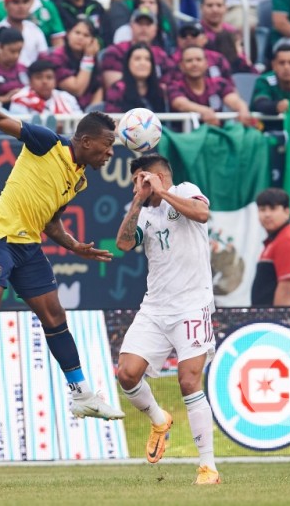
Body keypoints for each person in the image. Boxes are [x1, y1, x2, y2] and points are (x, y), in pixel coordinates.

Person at [0, 78, 125, 431]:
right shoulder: (48, 143)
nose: (110, 154)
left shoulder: (79, 179)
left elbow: (51, 221)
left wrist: (73, 245)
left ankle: (81, 395)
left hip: (27, 247)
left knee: (55, 316)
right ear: (86, 141)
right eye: (107, 146)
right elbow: (1, 119)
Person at [115, 154, 220, 486]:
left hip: (192, 305)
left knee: (189, 381)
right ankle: (159, 419)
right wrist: (137, 201)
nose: (136, 186)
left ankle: (208, 468)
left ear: (158, 176)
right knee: (126, 374)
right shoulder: (142, 212)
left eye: (140, 179)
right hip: (155, 307)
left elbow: (202, 214)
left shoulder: (185, 190)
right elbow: (123, 243)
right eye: (134, 182)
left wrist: (162, 191)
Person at [251, 188, 290, 306]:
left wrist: (278, 316)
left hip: (283, 316)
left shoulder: (288, 241)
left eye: (273, 209)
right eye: (262, 209)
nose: (267, 215)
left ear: (287, 212)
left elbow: (287, 288)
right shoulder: (277, 239)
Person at [168, 45, 252, 126]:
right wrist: (203, 111)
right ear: (181, 66)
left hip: (216, 131)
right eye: (189, 61)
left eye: (199, 59)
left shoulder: (219, 83)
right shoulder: (174, 86)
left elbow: (233, 99)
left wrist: (242, 108)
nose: (194, 64)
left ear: (206, 63)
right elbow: (180, 104)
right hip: (184, 133)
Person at [39, 16, 102, 109]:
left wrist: (93, 112)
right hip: (61, 109)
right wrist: (88, 58)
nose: (80, 38)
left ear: (93, 40)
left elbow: (98, 87)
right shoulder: (56, 57)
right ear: (68, 34)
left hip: (87, 111)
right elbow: (77, 89)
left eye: (86, 35)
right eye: (77, 33)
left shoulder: (93, 56)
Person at [0, 0, 49, 66]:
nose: (21, 6)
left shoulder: (34, 30)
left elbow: (44, 57)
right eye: (16, 2)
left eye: (25, 2)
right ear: (6, 6)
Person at [9, 58, 83, 119]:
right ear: (30, 81)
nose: (45, 81)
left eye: (49, 77)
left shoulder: (67, 98)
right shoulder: (19, 100)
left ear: (55, 81)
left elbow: (80, 121)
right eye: (39, 77)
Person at [104, 42, 167, 113]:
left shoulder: (160, 90)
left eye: (147, 59)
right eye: (137, 59)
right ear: (128, 63)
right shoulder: (118, 89)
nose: (143, 63)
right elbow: (113, 118)